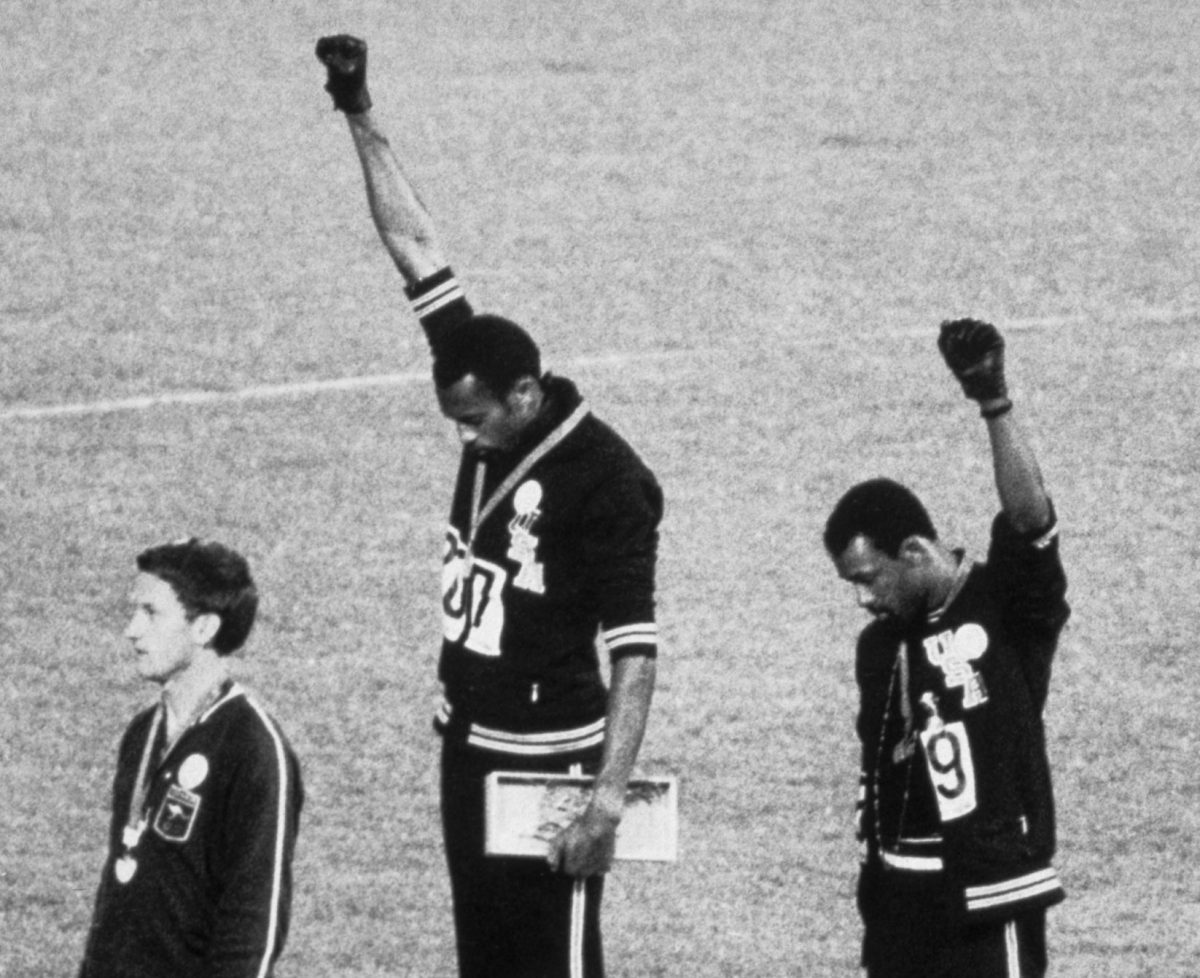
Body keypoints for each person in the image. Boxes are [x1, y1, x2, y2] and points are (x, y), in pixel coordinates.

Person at [315, 35, 663, 978]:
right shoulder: (481, 370)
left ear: (524, 393)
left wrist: (605, 799)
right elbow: (415, 243)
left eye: (475, 422)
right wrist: (358, 109)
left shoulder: (608, 482)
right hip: (466, 739)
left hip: (550, 756)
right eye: (453, 422)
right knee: (487, 960)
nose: (464, 439)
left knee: (552, 959)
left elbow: (635, 651)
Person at [823, 319, 1070, 978]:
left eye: (868, 580)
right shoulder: (879, 649)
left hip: (986, 897)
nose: (863, 601)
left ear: (913, 552)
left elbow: (1030, 518)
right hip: (899, 906)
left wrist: (993, 401)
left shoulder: (1008, 605)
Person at [79, 538, 303, 978]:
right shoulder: (143, 732)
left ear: (203, 629)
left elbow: (254, 921)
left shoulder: (254, 750)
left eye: (151, 613)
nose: (131, 629)